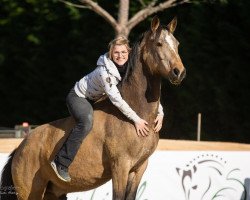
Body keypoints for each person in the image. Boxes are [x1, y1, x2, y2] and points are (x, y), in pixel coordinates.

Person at [51, 36, 164, 182]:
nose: (120, 56)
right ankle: (61, 162)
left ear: (129, 52)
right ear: (111, 54)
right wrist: (136, 120)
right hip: (80, 97)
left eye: (123, 52)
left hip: (102, 97)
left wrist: (160, 112)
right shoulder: (104, 71)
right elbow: (117, 99)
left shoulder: (131, 67)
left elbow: (144, 94)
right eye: (116, 52)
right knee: (86, 122)